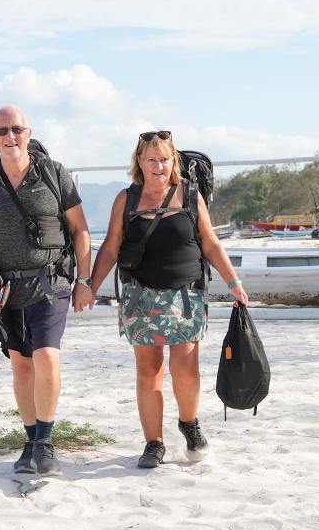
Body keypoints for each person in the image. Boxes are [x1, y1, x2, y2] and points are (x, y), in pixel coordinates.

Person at [88, 130, 248, 468]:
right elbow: (111, 247)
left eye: (164, 159)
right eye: (151, 159)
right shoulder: (126, 199)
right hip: (139, 296)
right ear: (139, 163)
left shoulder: (190, 196)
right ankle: (153, 443)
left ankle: (189, 424)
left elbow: (210, 243)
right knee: (149, 371)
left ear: (173, 161)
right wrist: (91, 284)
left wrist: (233, 280)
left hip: (185, 295)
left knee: (185, 368)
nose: (158, 165)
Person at [0, 105, 94, 476]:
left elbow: (80, 230)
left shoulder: (53, 173)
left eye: (16, 129)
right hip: (6, 289)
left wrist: (85, 280)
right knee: (21, 366)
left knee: (46, 356)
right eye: (2, 131)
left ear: (29, 133)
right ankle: (30, 441)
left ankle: (45, 443)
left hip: (52, 282)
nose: (10, 137)